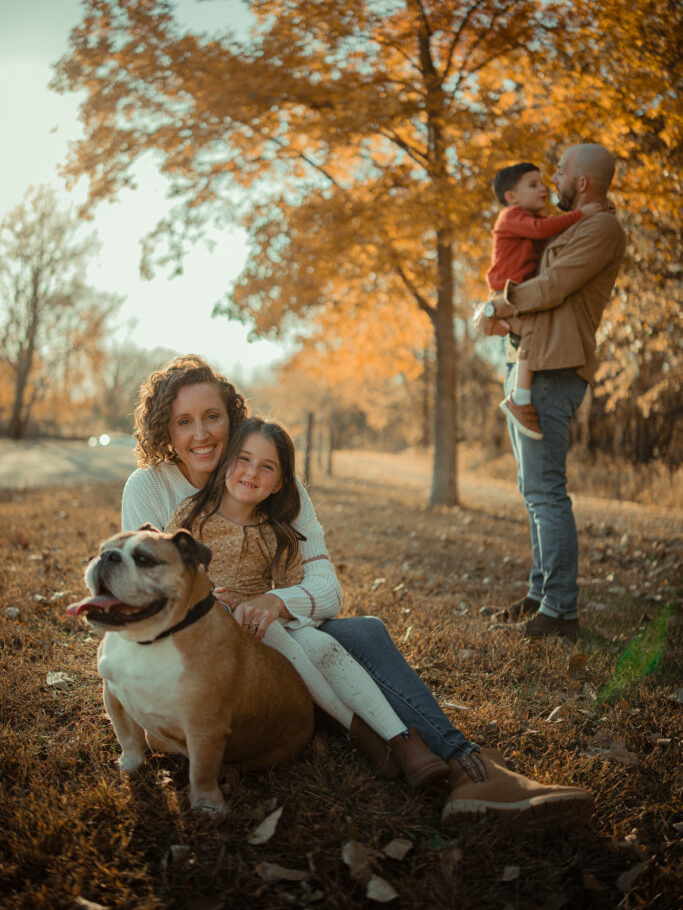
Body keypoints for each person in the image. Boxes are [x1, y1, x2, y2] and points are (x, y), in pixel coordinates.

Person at [122, 354, 594, 827]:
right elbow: (142, 599)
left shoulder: (266, 475)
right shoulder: (150, 489)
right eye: (184, 421)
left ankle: (468, 766)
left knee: (363, 632)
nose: (201, 434)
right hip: (203, 661)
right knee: (317, 644)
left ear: (232, 419)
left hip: (269, 629)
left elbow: (326, 588)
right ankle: (409, 748)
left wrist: (278, 600)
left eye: (212, 417)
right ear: (165, 428)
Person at [165, 415, 449, 789]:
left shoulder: (276, 533)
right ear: (225, 463)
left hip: (264, 627)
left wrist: (277, 608)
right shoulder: (191, 517)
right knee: (281, 636)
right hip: (211, 631)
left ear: (281, 482)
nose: (252, 473)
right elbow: (172, 576)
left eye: (267, 467)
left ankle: (401, 740)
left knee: (318, 641)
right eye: (244, 459)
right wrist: (204, 597)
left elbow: (294, 598)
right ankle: (366, 736)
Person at [479, 144, 627, 638]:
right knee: (533, 491)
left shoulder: (599, 228)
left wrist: (498, 306)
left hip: (554, 368)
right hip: (531, 359)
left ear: (581, 182)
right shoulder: (580, 223)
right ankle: (540, 595)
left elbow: (554, 287)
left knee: (546, 495)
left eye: (560, 172)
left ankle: (560, 612)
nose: (554, 180)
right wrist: (505, 314)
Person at [479, 162, 602, 440]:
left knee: (529, 331)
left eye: (541, 183)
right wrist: (582, 214)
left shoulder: (528, 218)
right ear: (511, 197)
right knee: (535, 329)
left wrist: (592, 216)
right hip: (506, 291)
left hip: (517, 293)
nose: (543, 188)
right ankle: (520, 399)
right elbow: (542, 230)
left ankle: (505, 333)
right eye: (533, 185)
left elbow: (550, 234)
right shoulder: (511, 216)